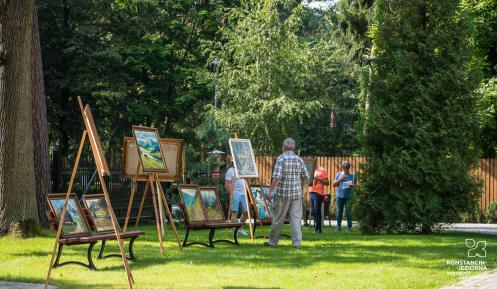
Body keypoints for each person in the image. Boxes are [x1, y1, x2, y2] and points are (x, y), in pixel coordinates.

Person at [265, 138, 310, 248]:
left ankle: (273, 242)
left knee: (278, 219)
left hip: (282, 194)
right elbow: (306, 177)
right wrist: (300, 187)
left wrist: (270, 192)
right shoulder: (299, 160)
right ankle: (296, 243)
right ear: (293, 147)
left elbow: (276, 178)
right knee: (295, 219)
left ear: (283, 147)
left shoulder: (281, 159)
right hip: (296, 195)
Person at [225, 162, 249, 236]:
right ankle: (234, 231)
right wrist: (231, 193)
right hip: (235, 194)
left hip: (243, 193)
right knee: (234, 212)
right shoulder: (230, 171)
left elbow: (246, 181)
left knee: (246, 212)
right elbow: (227, 184)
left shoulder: (242, 170)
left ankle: (240, 229)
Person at [332, 160, 355, 232]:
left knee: (348, 211)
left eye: (347, 169)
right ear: (342, 168)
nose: (346, 170)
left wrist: (352, 185)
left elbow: (355, 185)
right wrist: (340, 179)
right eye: (345, 169)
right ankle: (338, 227)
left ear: (349, 168)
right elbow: (334, 184)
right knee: (339, 211)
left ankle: (349, 227)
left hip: (349, 196)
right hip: (339, 195)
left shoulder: (353, 175)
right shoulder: (338, 174)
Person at [309, 166, 329, 233]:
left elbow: (327, 182)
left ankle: (317, 228)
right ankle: (318, 228)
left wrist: (319, 179)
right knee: (312, 211)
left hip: (318, 193)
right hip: (311, 192)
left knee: (317, 210)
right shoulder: (309, 170)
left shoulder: (321, 170)